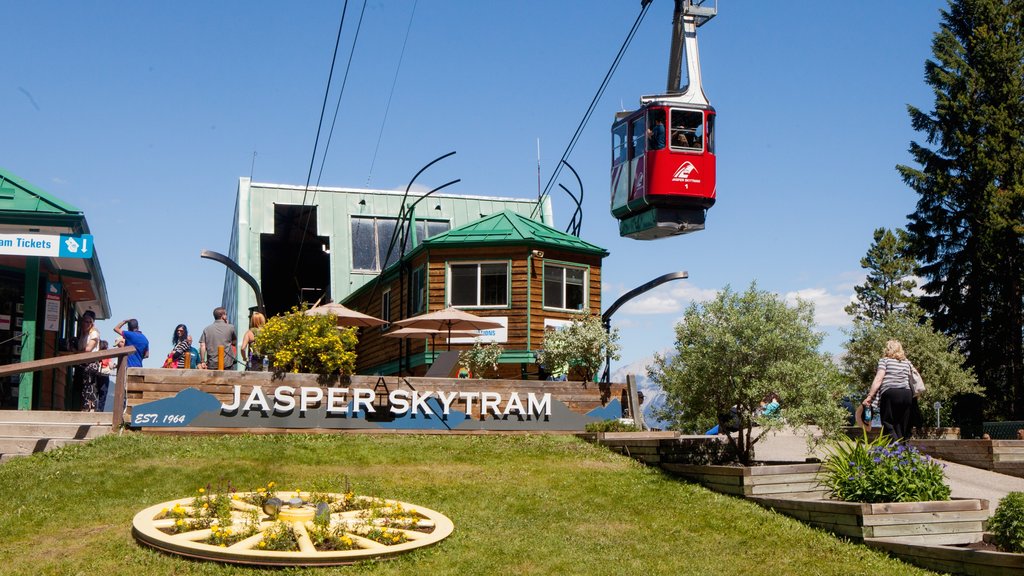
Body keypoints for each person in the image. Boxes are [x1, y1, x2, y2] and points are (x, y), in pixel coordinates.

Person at [863, 339, 915, 442]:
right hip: (907, 394)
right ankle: (903, 451)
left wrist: (869, 396)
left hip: (890, 393)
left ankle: (894, 447)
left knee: (887, 422)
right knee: (902, 424)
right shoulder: (907, 362)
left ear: (887, 349)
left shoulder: (885, 361)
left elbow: (878, 379)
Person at [77, 311, 101, 411]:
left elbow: (88, 349)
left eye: (88, 322)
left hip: (91, 363)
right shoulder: (83, 334)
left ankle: (91, 407)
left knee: (89, 385)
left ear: (92, 323)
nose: (85, 324)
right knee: (86, 386)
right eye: (83, 321)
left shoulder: (94, 333)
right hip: (83, 363)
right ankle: (87, 406)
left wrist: (77, 353)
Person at [96, 340, 111, 412]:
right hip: (105, 375)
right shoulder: (108, 355)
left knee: (96, 392)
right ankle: (100, 410)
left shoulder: (97, 354)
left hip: (97, 374)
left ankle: (93, 408)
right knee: (103, 394)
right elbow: (110, 365)